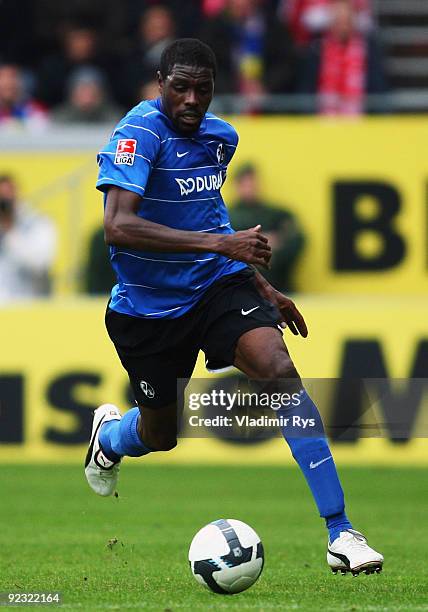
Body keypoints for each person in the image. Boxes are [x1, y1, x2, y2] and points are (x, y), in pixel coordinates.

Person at [85, 38, 383, 576]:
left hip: (214, 287)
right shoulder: (139, 133)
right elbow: (118, 225)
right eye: (181, 87)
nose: (192, 99)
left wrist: (259, 285)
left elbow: (209, 215)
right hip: (147, 310)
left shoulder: (222, 139)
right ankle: (108, 438)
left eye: (203, 88)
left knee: (279, 370)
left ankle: (342, 532)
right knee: (160, 436)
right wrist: (221, 246)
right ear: (160, 85)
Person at [298, 0, 386, 115]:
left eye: (346, 21)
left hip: (361, 123)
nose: (342, 26)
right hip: (321, 124)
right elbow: (306, 90)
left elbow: (378, 89)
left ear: (353, 21)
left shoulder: (369, 51)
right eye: (338, 21)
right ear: (330, 22)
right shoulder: (316, 50)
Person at [229, 162, 305, 292]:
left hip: (279, 285)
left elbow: (297, 239)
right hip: (242, 287)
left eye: (252, 182)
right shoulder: (228, 216)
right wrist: (261, 244)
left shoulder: (277, 214)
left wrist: (273, 251)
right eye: (244, 183)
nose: (249, 187)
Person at [0, 174, 56, 303]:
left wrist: (10, 231)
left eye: (7, 198)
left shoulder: (38, 224)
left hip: (27, 305)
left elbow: (40, 264)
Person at [52, 67, 122, 124]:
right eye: (82, 91)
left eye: (92, 92)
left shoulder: (114, 118)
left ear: (102, 94)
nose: (87, 98)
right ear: (72, 94)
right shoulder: (59, 117)